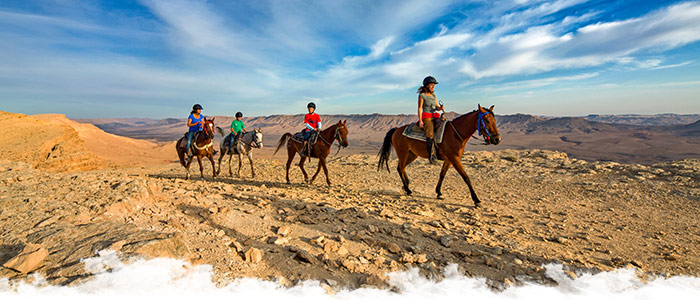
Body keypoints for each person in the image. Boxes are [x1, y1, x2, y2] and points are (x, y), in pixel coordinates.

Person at [417, 76, 444, 164]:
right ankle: (431, 156)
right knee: (430, 134)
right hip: (427, 117)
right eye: (431, 85)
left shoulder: (433, 95)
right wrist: (420, 120)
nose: (433, 86)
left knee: (443, 128)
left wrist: (440, 108)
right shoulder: (422, 96)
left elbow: (436, 107)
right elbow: (420, 108)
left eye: (434, 85)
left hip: (435, 116)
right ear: (426, 85)